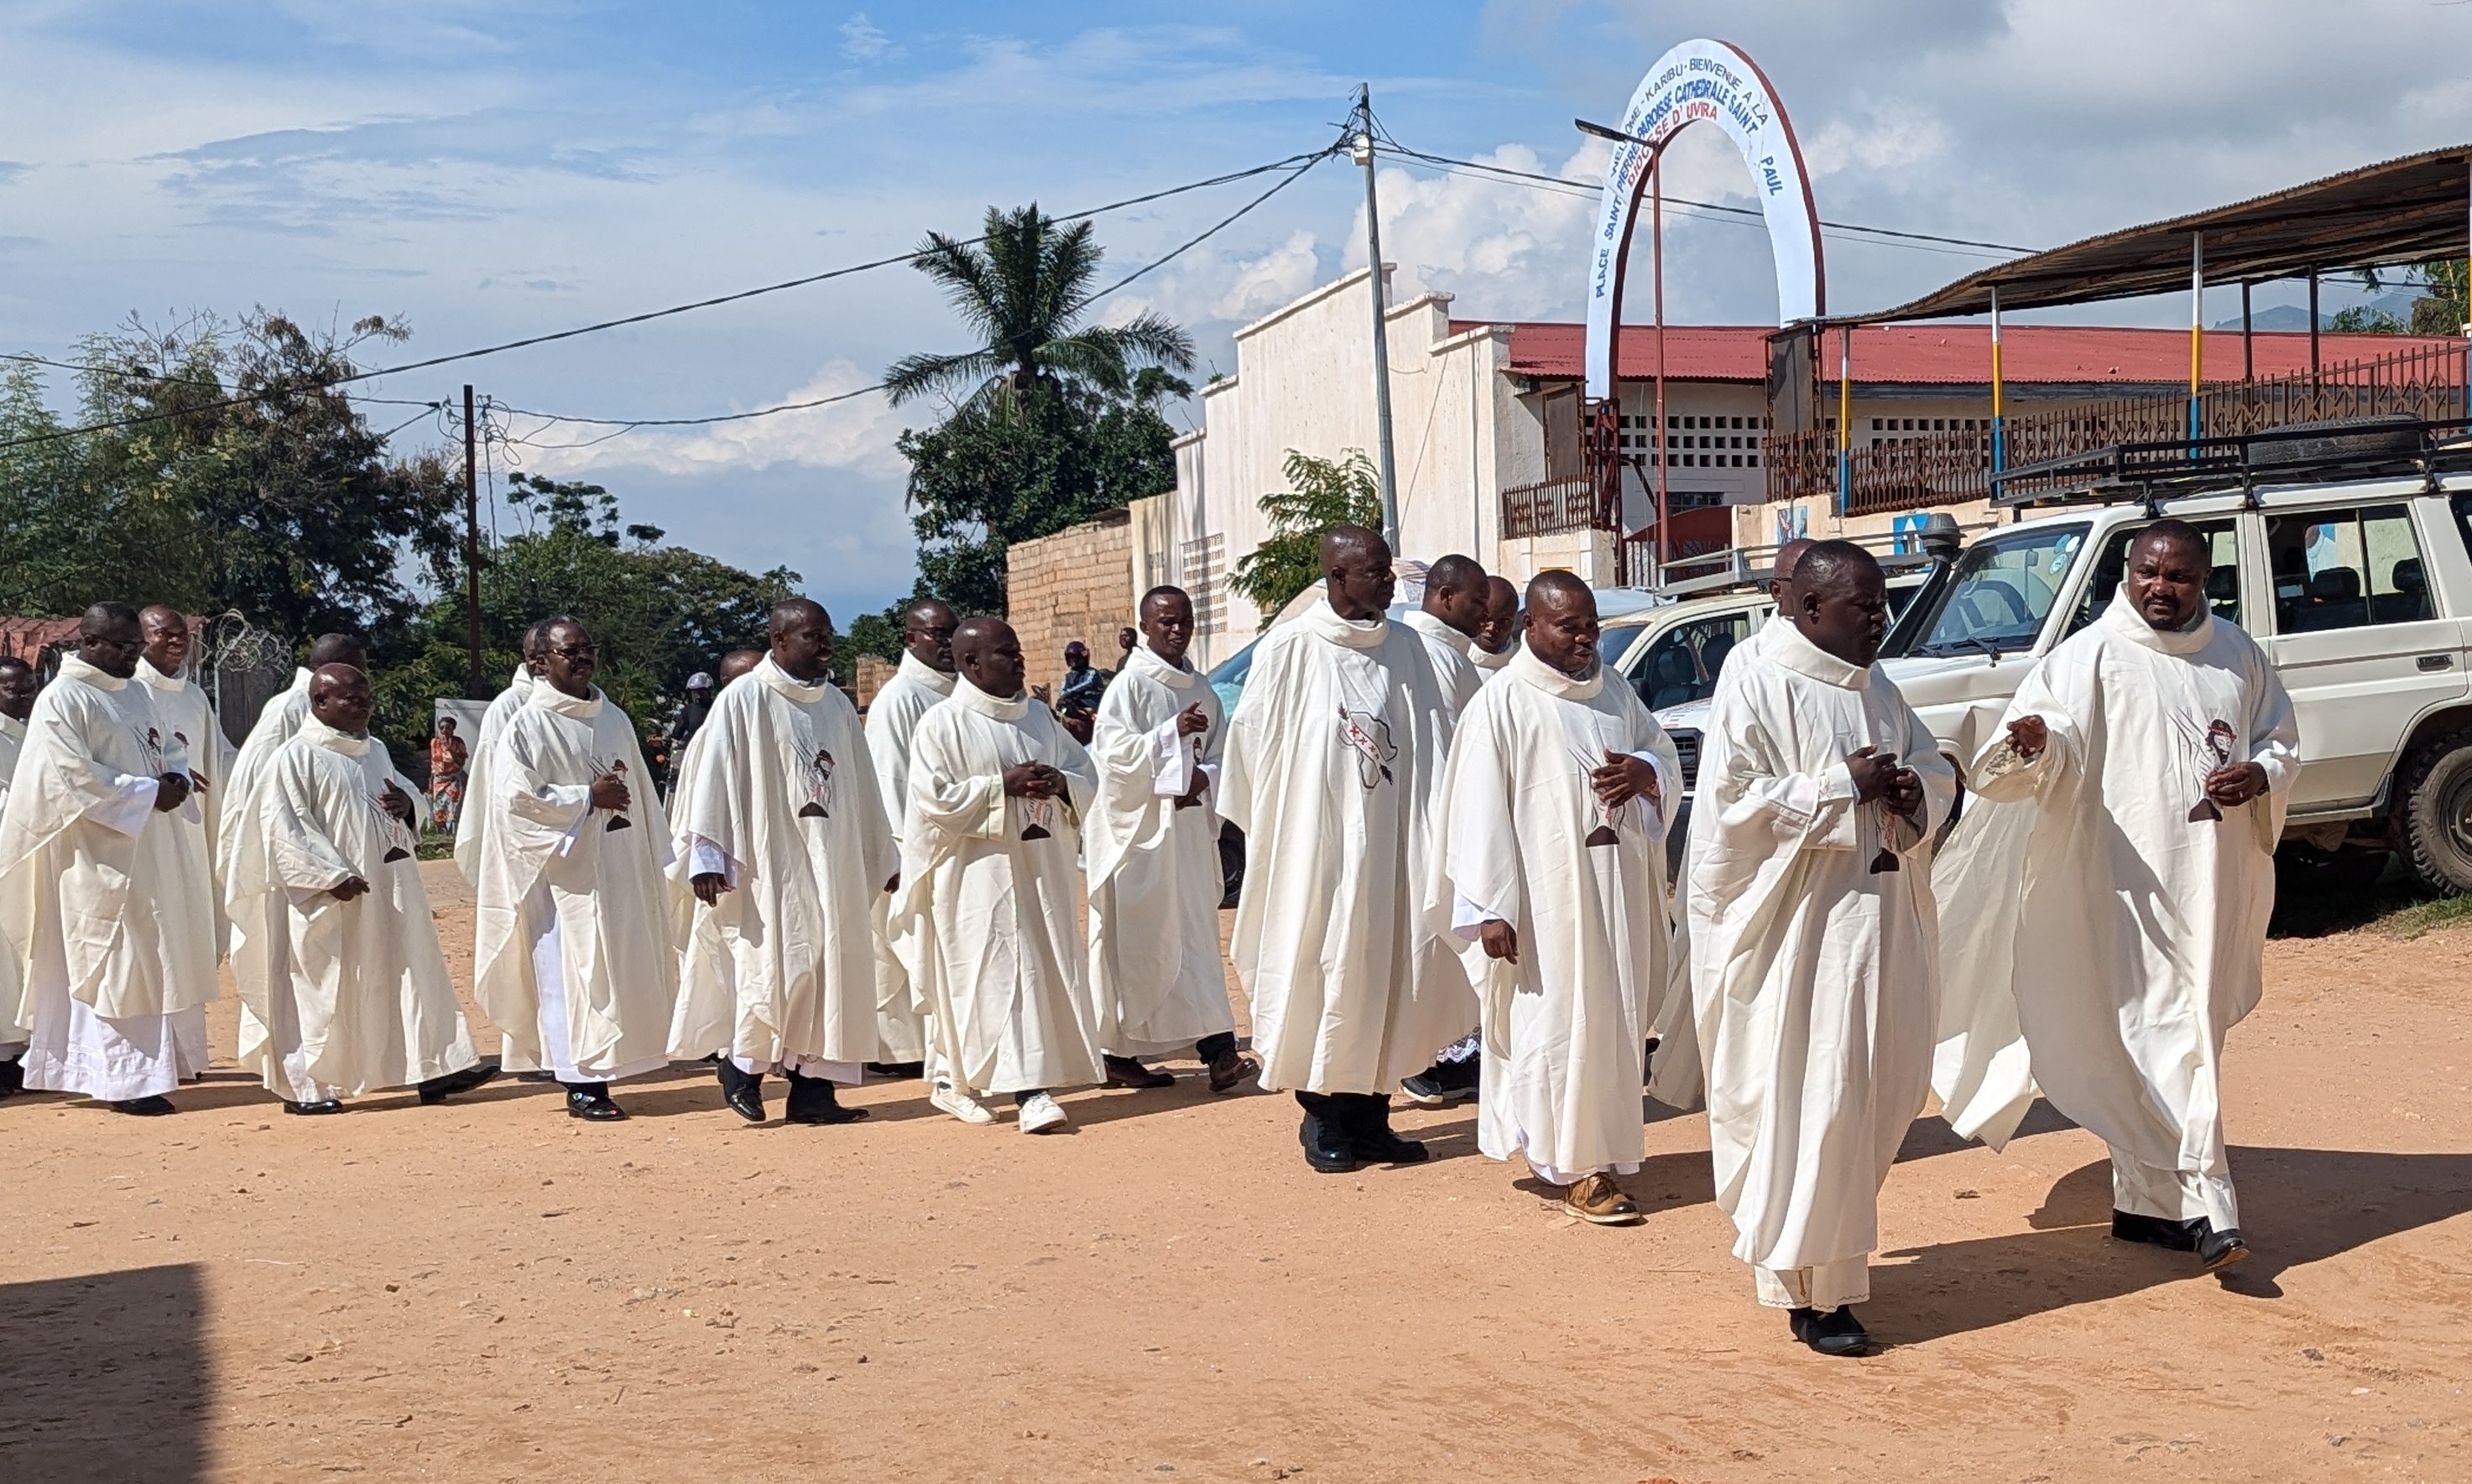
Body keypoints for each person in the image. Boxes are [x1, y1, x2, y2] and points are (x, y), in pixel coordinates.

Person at [1950, 521, 2296, 1273]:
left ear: (2206, 581)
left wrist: (2262, 775)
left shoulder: (2238, 654)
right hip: (2120, 889)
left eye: (2179, 578)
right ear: (2127, 571)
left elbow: (2279, 737)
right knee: (2155, 1040)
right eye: (2148, 573)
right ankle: (2211, 1206)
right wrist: (2038, 745)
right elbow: (2040, 745)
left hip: (2209, 885)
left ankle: (2147, 1207)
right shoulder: (2087, 658)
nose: (2160, 589)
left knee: (2184, 1036)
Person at [1687, 542, 1953, 1357]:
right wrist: (1840, 785)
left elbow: (1935, 761)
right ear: (1807, 609)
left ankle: (1817, 1269)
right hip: (1798, 944)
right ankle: (1822, 1292)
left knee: (1870, 1101)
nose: (1881, 619)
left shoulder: (1878, 683)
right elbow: (1731, 810)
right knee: (1818, 1102)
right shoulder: (1756, 674)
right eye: (1863, 607)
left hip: (1878, 928)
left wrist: (1919, 789)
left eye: (1882, 605)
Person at [1431, 573, 1680, 1222]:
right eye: (1569, 627)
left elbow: (1660, 753)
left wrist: (1647, 774)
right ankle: (1574, 1167)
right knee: (1559, 1025)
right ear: (1529, 629)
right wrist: (1490, 907)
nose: (1585, 638)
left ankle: (1603, 1150)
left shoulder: (1615, 689)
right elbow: (1477, 809)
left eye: (1591, 624)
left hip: (1616, 892)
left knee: (1614, 1022)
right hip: (1544, 905)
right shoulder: (1503, 704)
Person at [1219, 524, 1468, 1174]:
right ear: (1336, 578)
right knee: (1323, 969)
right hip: (1319, 846)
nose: (1390, 582)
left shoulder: (1410, 647)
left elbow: (1432, 743)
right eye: (1376, 573)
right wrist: (1287, 831)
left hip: (1393, 845)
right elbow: (1253, 749)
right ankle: (1322, 1114)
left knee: (1390, 971)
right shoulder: (1292, 648)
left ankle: (1373, 1116)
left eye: (1388, 571)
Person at [224, 664, 498, 1112]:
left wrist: (410, 806)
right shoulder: (296, 757)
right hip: (328, 897)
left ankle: (433, 1068)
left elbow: (407, 796)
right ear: (320, 703)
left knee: (408, 972)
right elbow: (282, 828)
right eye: (351, 698)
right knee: (320, 988)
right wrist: (329, 876)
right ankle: (307, 1088)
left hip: (389, 888)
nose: (364, 704)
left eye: (367, 695)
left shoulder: (375, 751)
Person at [669, 601, 893, 1127]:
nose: (826, 645)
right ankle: (741, 1068)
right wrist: (707, 855)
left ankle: (814, 1092)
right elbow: (714, 778)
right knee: (775, 968)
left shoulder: (837, 705)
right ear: (779, 640)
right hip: (771, 862)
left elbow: (862, 784)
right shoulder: (743, 699)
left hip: (832, 859)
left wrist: (883, 853)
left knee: (829, 967)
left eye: (827, 635)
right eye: (813, 636)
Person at [0, 603, 220, 1114]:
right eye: (121, 647)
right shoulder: (64, 698)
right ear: (89, 642)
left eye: (133, 647)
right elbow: (69, 777)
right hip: (97, 856)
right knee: (116, 961)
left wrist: (177, 778)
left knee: (150, 955)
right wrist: (145, 793)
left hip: (151, 847)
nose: (131, 656)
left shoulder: (138, 692)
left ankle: (149, 1069)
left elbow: (168, 746)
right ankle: (125, 1081)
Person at [890, 618, 1102, 1133]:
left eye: (1018, 650)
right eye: (1007, 653)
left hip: (1039, 871)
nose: (1020, 660)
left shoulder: (1039, 717)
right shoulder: (943, 723)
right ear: (971, 664)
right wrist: (998, 786)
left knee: (1033, 969)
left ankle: (953, 1080)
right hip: (975, 878)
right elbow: (931, 800)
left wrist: (1062, 782)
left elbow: (1087, 774)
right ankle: (1029, 1092)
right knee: (993, 974)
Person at [472, 617, 680, 1121]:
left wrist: (658, 856)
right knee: (570, 974)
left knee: (620, 965)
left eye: (589, 647)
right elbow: (514, 800)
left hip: (619, 863)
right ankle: (581, 1083)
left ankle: (616, 1062)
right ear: (542, 663)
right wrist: (587, 797)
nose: (583, 657)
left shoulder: (615, 719)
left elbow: (644, 798)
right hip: (564, 875)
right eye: (571, 650)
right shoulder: (528, 723)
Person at [1646, 534, 1814, 1113]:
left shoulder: (1857, 664)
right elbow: (1731, 782)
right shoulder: (1751, 663)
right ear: (1780, 592)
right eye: (1805, 581)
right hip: (1764, 855)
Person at [1085, 586, 1255, 1095]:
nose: (1176, 629)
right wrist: (1169, 736)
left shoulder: (1203, 687)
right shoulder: (1129, 688)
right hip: (1142, 844)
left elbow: (1225, 757)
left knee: (1198, 944)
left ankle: (1219, 1053)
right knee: (1140, 949)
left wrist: (1202, 778)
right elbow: (1110, 765)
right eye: (1165, 622)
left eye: (1184, 620)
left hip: (1188, 838)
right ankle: (1119, 1054)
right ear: (1145, 626)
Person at [225, 632, 372, 1091]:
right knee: (300, 979)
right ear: (321, 696)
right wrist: (320, 869)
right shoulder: (291, 716)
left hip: (355, 873)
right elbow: (271, 803)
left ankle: (351, 1069)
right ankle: (302, 1083)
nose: (364, 695)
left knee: (351, 977)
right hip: (293, 874)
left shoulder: (360, 733)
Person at [1395, 553, 1492, 1107]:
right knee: (1429, 944)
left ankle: (1439, 1053)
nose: (1484, 615)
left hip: (1445, 821)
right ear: (1445, 596)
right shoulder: (1426, 653)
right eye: (1476, 602)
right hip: (1433, 824)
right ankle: (1418, 1059)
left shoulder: (1451, 656)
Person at [862, 599, 957, 1084]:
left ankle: (938, 1042)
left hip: (956, 846)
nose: (946, 643)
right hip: (910, 848)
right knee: (898, 951)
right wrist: (898, 852)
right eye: (935, 634)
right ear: (910, 639)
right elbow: (888, 780)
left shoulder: (963, 693)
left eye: (951, 633)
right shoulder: (898, 700)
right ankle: (893, 1049)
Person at [0, 655, 39, 1096]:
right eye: (15, 689)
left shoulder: (35, 734)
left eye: (30, 687)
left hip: (32, 862)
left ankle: (28, 1055)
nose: (26, 695)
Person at [1056, 639, 1106, 745]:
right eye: (1071, 658)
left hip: (1091, 705)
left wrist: (1068, 694)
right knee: (1061, 711)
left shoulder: (1092, 673)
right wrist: (1063, 698)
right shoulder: (1068, 676)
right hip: (1074, 706)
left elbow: (1087, 684)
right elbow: (1062, 690)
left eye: (1076, 658)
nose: (1073, 661)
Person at [1470, 576, 1521, 674]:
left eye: (1503, 621)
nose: (1492, 628)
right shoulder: (1451, 660)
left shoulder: (1522, 668)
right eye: (1486, 618)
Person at [428, 716, 469, 832]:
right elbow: (432, 763)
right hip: (438, 779)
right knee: (438, 806)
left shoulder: (458, 742)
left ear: (453, 729)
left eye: (448, 728)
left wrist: (449, 748)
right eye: (442, 728)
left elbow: (461, 762)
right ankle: (441, 831)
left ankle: (453, 830)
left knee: (452, 804)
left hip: (453, 778)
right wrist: (430, 784)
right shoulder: (434, 742)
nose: (445, 730)